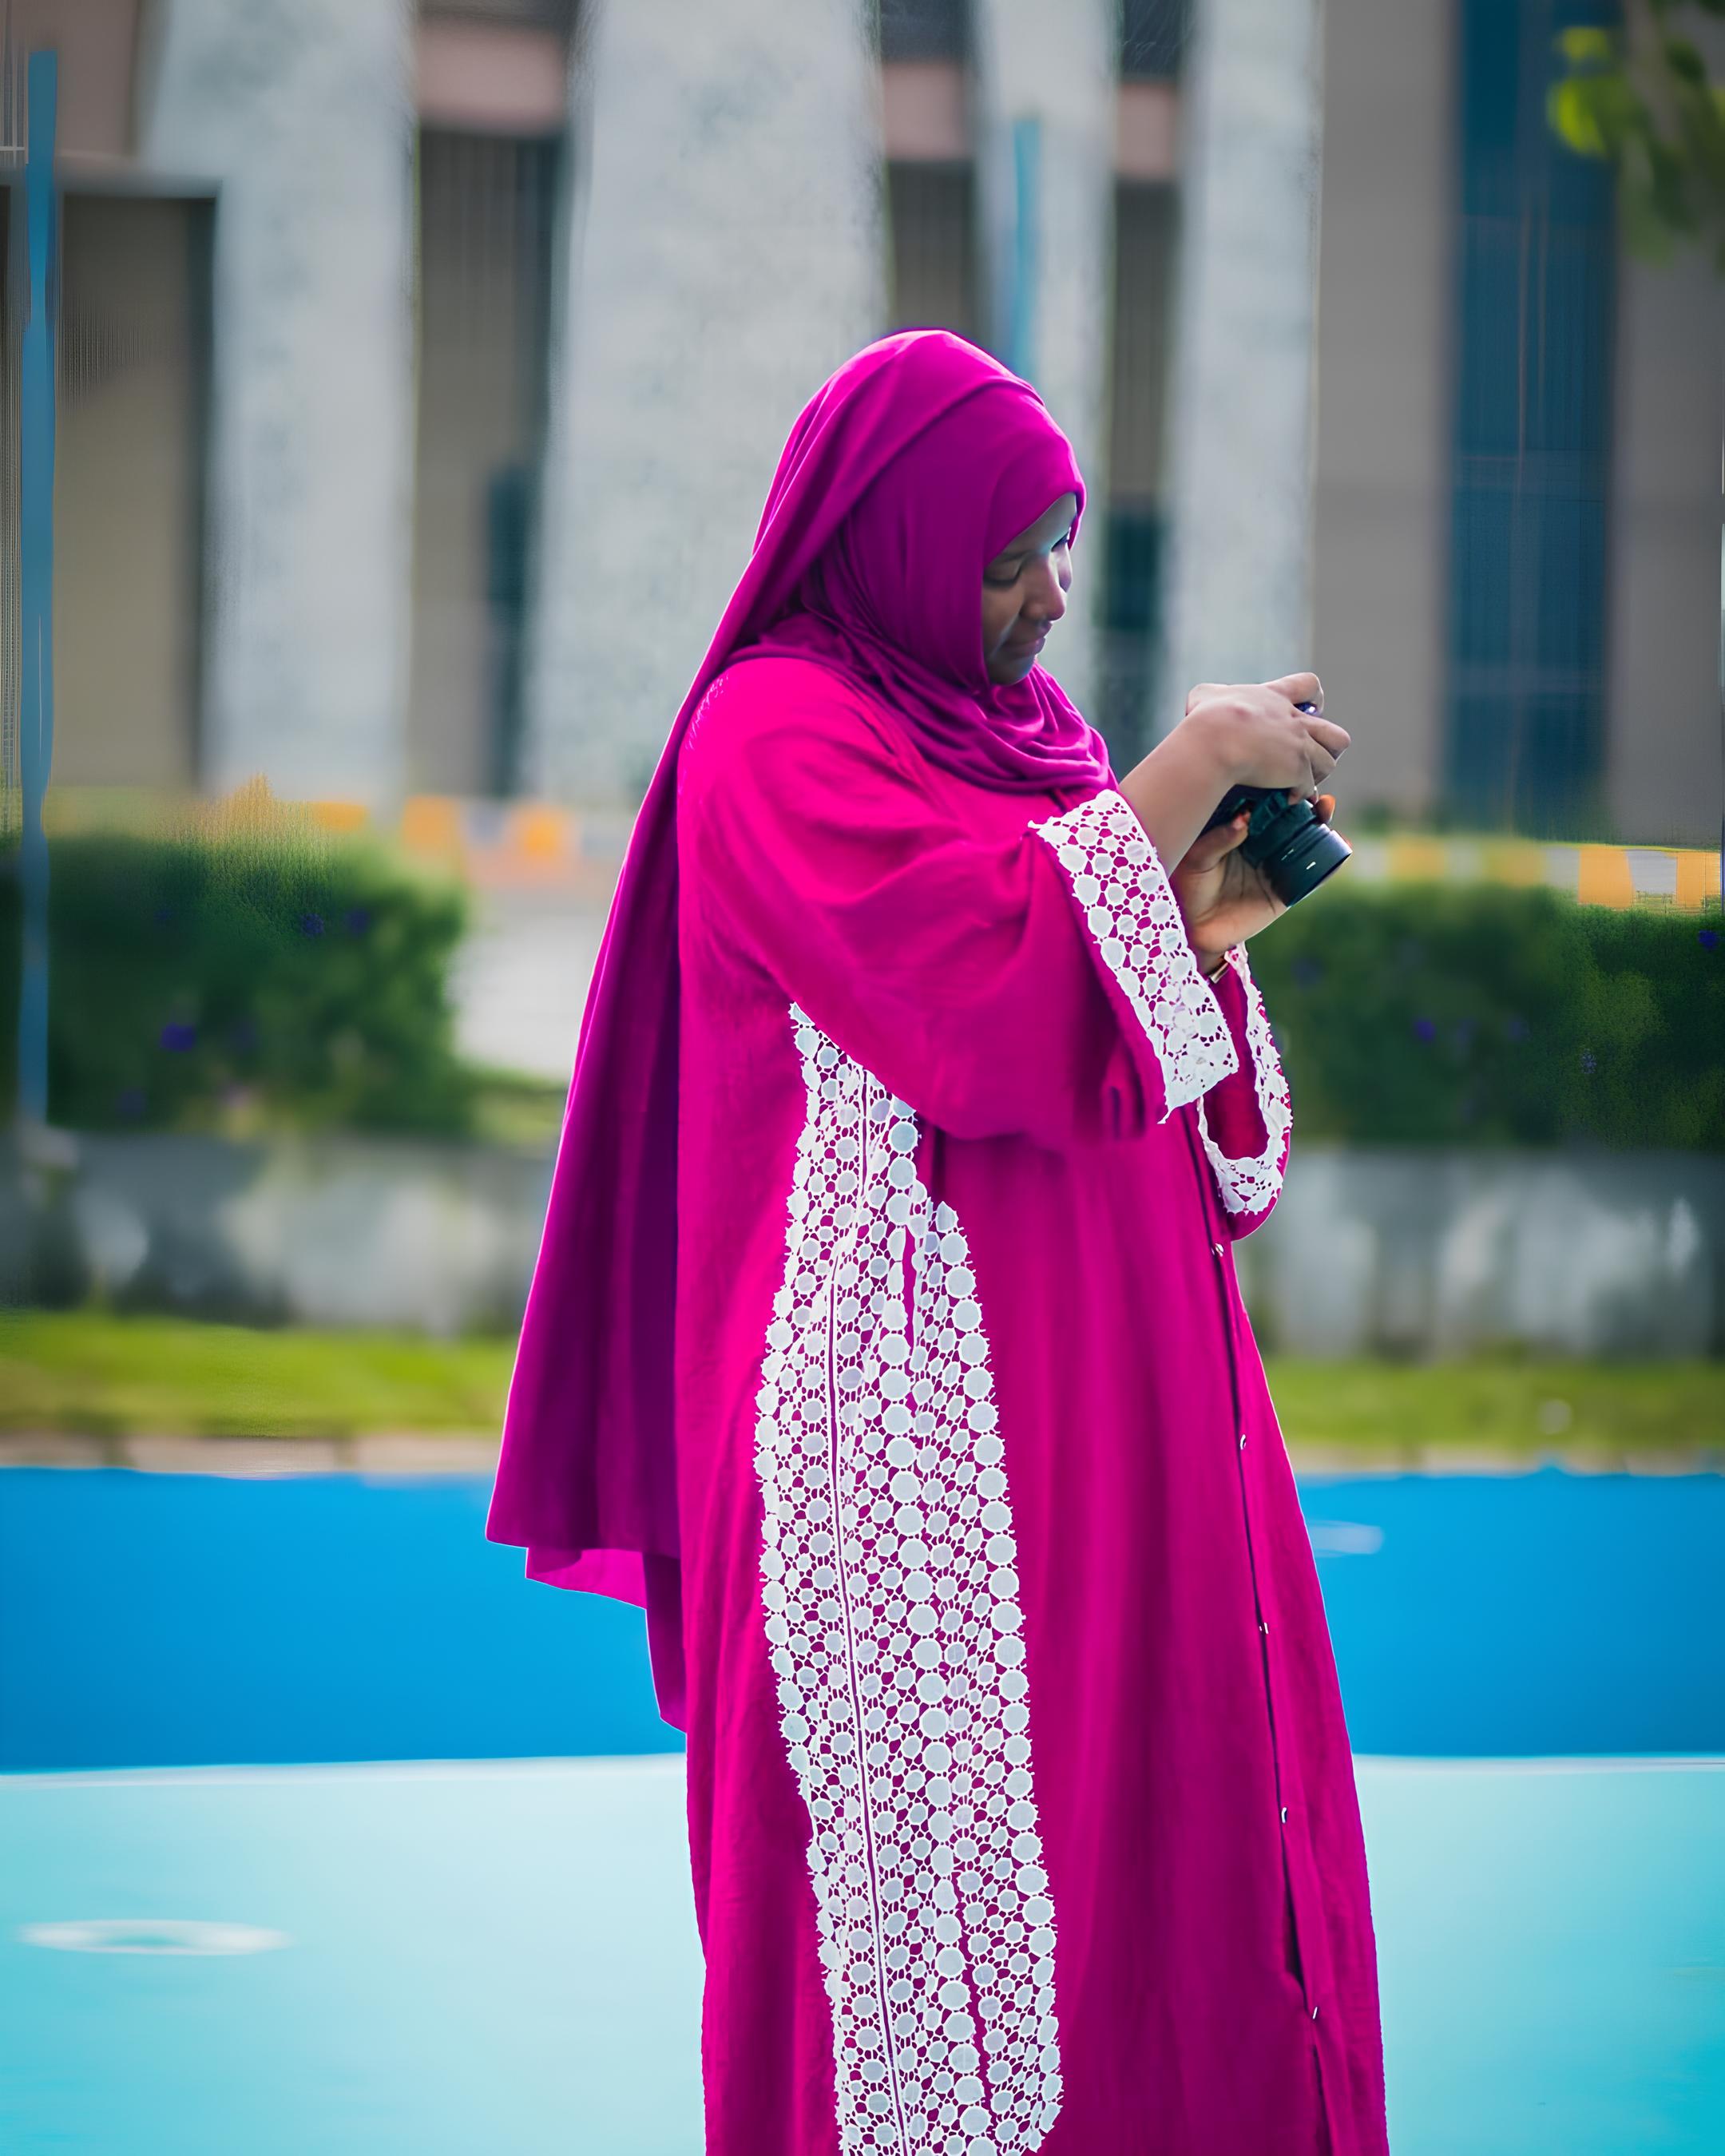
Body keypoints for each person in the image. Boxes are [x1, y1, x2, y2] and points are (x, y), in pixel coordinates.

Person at [488, 331, 1388, 2156]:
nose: (1051, 591)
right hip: (915, 1466)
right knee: (954, 1907)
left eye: (1063, 540)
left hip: (1134, 1406)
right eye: (1006, 556)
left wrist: (1199, 921)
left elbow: (1121, 1043)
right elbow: (970, 987)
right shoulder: (774, 734)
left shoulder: (1032, 741)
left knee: (1178, 1826)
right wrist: (1191, 763)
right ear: (891, 544)